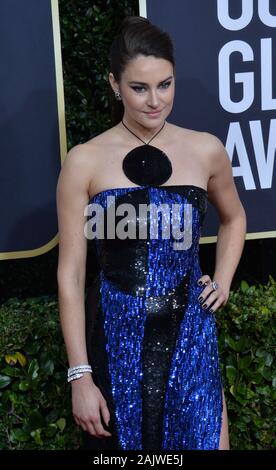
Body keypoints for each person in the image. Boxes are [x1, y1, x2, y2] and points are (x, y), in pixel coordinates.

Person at [56, 16, 246, 451]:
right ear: (114, 84)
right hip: (114, 341)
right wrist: (80, 374)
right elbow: (69, 274)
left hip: (190, 340)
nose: (155, 100)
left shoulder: (205, 149)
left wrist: (223, 282)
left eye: (165, 84)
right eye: (140, 88)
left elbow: (234, 219)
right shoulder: (84, 162)